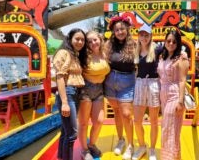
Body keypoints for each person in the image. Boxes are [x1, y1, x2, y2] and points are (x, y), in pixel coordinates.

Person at [104, 16, 136, 160]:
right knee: (116, 112)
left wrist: (182, 53)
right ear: (113, 31)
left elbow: (151, 51)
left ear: (127, 29)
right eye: (117, 30)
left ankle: (130, 145)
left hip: (127, 80)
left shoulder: (135, 44)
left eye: (122, 29)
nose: (120, 31)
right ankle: (121, 139)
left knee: (127, 114)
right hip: (110, 81)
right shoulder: (108, 45)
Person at [53, 28, 87, 160]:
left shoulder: (75, 55)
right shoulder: (64, 53)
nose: (80, 42)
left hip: (75, 93)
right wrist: (65, 102)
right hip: (68, 93)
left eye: (82, 40)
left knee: (65, 131)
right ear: (70, 39)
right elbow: (60, 77)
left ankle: (61, 157)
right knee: (72, 134)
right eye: (77, 39)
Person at [78, 31, 110, 160]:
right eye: (89, 41)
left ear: (100, 39)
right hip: (85, 89)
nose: (93, 43)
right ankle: (84, 150)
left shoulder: (105, 54)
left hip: (99, 90)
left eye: (95, 40)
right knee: (84, 123)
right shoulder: (83, 55)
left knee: (99, 121)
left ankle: (91, 144)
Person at [157, 30, 189, 160]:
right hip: (164, 95)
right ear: (164, 42)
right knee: (168, 128)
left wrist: (180, 102)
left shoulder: (181, 56)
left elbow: (182, 80)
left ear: (178, 43)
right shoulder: (163, 57)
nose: (171, 43)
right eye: (168, 41)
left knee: (169, 130)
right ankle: (175, 157)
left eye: (174, 42)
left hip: (175, 95)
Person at [132, 24, 160, 160]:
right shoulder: (135, 51)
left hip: (154, 84)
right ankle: (142, 145)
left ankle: (153, 148)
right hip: (140, 84)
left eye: (146, 35)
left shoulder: (157, 49)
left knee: (154, 121)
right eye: (141, 34)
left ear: (150, 36)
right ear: (138, 36)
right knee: (137, 121)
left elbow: (173, 50)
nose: (144, 37)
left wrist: (183, 54)